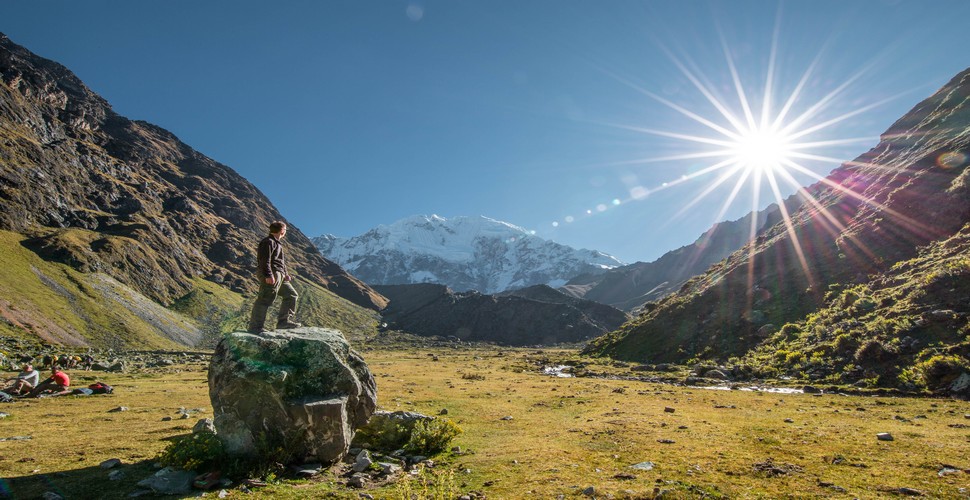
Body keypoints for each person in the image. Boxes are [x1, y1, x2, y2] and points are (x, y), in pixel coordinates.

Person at [247, 221, 302, 334]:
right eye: (285, 229)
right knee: (265, 298)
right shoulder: (268, 242)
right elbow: (264, 260)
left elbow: (279, 261)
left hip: (279, 274)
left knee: (291, 295)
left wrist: (285, 274)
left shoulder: (277, 243)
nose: (286, 231)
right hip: (272, 273)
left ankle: (283, 322)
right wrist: (268, 275)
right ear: (281, 230)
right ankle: (255, 327)